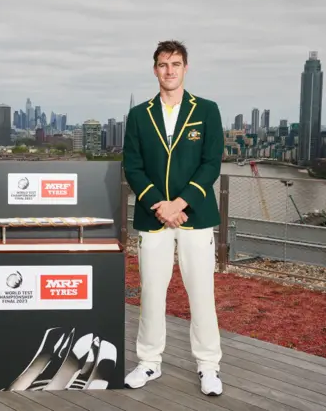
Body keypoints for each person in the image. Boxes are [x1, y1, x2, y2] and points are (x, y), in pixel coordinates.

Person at [122, 41, 224, 396]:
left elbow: (211, 163)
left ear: (185, 68)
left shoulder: (207, 110)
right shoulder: (139, 115)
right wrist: (159, 205)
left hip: (195, 216)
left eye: (175, 64)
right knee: (151, 293)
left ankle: (208, 366)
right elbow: (132, 167)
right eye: (163, 65)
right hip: (154, 219)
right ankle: (149, 361)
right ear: (155, 70)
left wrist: (180, 203)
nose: (169, 71)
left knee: (202, 294)